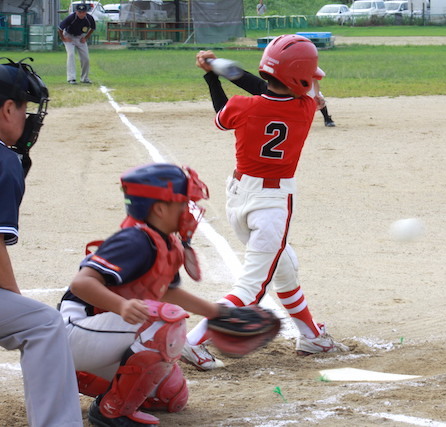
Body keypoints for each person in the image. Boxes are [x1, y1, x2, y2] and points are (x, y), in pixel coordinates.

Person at [58, 163, 279, 426]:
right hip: (73, 332)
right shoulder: (133, 240)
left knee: (168, 395)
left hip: (102, 335)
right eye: (183, 203)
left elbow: (167, 292)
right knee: (165, 323)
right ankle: (111, 411)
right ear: (160, 208)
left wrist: (219, 313)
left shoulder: (164, 240)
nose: (190, 210)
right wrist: (121, 306)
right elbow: (82, 284)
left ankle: (78, 376)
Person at [182, 35, 349, 371]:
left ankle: (311, 335)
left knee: (285, 267)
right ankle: (192, 341)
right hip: (271, 205)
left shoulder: (243, 107)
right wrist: (218, 68)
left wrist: (213, 72)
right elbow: (272, 86)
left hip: (238, 198)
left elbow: (238, 102)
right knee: (252, 289)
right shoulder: (305, 109)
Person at [0, 58, 83, 427]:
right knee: (43, 324)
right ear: (6, 109)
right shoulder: (4, 160)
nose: (30, 118)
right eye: (25, 108)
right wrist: (14, 302)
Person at [58, 3, 95, 84]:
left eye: (83, 12)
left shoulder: (89, 18)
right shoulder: (71, 18)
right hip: (69, 36)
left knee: (86, 58)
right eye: (79, 12)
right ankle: (71, 78)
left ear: (86, 12)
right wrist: (63, 39)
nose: (81, 14)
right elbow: (60, 29)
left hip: (80, 37)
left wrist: (86, 37)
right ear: (76, 12)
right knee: (71, 55)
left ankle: (84, 78)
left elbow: (92, 28)